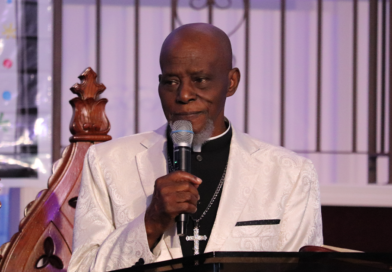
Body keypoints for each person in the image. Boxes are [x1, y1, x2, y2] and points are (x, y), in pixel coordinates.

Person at [68, 23, 323, 272]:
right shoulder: (107, 162)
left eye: (200, 80)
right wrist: (151, 222)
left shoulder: (289, 173)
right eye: (171, 82)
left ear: (231, 82)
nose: (184, 95)